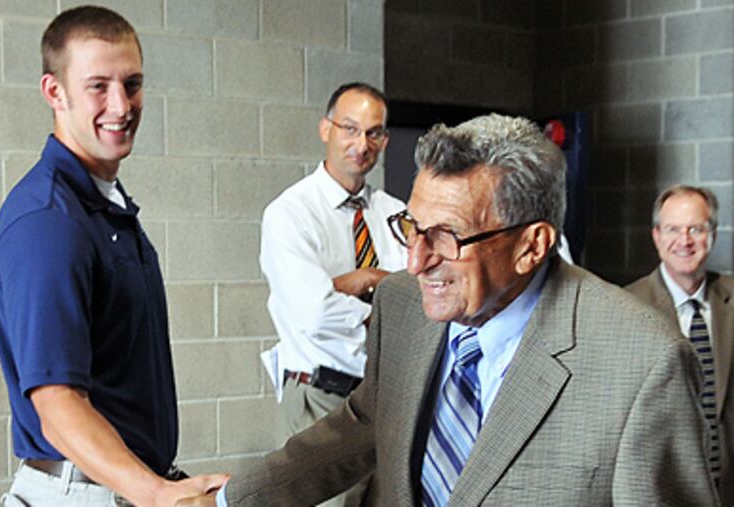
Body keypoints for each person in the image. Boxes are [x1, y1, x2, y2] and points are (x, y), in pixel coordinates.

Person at [178, 114, 718, 506]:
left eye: (447, 236)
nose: (415, 262)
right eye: (412, 227)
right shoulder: (403, 307)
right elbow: (364, 425)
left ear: (532, 244)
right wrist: (230, 501)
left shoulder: (645, 363)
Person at [0, 6, 226, 506]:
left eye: (133, 84)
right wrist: (159, 494)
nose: (121, 104)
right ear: (55, 91)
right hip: (80, 493)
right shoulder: (49, 221)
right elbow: (57, 405)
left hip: (120, 486)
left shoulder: (102, 206)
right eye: (99, 85)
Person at [258, 82, 406, 506]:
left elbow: (419, 298)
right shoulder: (290, 214)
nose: (362, 144)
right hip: (321, 399)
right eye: (350, 128)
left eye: (374, 133)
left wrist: (353, 283)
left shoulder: (397, 214)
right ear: (326, 129)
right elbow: (315, 313)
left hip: (385, 400)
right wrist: (368, 287)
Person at [626, 185, 734, 504]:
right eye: (673, 229)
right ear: (657, 236)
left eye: (695, 229)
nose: (684, 241)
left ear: (712, 234)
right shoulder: (628, 307)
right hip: (663, 489)